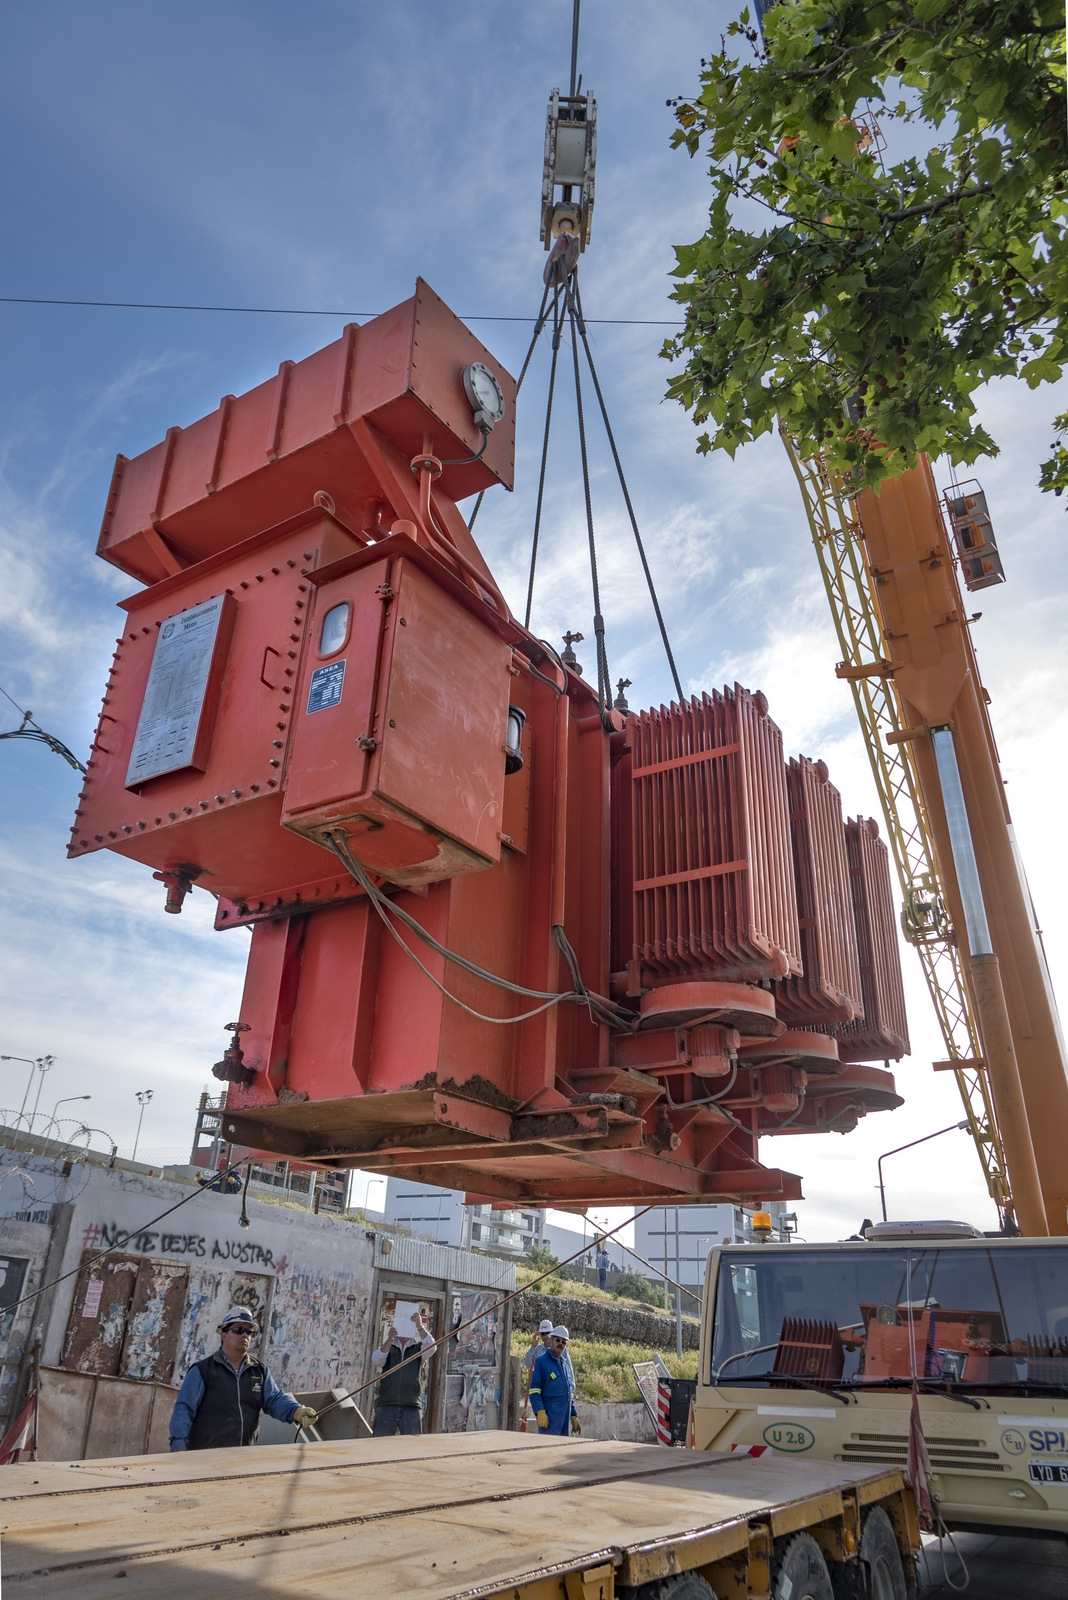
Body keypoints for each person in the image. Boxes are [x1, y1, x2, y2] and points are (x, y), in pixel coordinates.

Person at [169, 1307, 316, 1450]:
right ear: (224, 1335)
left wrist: (296, 1411)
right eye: (238, 1330)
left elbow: (274, 1400)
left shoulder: (259, 1371)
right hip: (206, 1457)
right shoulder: (203, 1371)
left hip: (244, 1457)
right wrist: (178, 1447)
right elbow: (184, 1410)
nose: (244, 1335)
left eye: (249, 1331)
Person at [371, 1311, 435, 1436]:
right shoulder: (389, 1347)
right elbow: (377, 1360)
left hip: (411, 1405)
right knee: (380, 1444)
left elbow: (432, 1346)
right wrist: (389, 1340)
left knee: (412, 1446)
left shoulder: (418, 1347)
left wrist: (420, 1326)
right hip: (387, 1404)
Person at [529, 1325, 580, 1437]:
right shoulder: (541, 1362)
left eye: (563, 1342)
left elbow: (569, 1393)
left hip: (563, 1423)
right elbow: (534, 1391)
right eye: (557, 1340)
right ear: (551, 1340)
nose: (560, 1344)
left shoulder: (564, 1365)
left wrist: (573, 1414)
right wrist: (540, 1411)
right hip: (549, 1422)